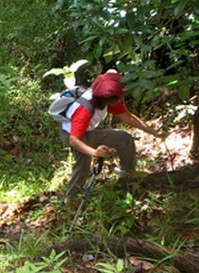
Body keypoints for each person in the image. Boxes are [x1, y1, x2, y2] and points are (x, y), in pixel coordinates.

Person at [60, 71, 166, 201]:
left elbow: (127, 117)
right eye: (120, 97)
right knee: (83, 164)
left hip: (85, 131)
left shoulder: (104, 99)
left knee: (124, 138)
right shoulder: (84, 110)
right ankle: (71, 198)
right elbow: (74, 140)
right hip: (72, 135)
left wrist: (154, 132)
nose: (121, 99)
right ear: (110, 98)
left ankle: (127, 173)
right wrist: (95, 152)